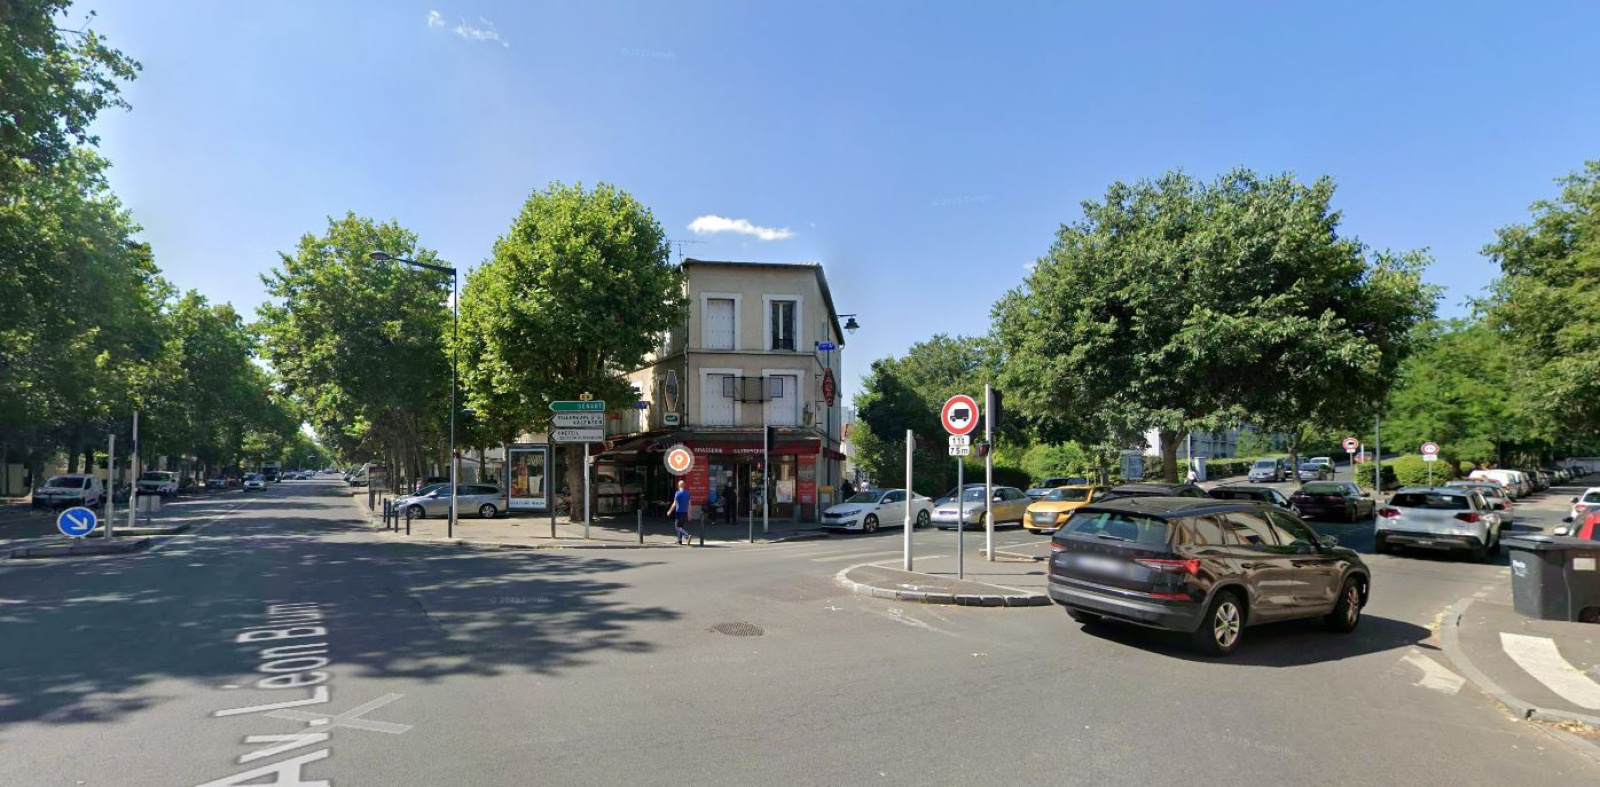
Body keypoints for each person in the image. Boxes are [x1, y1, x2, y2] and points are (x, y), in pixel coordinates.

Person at [667, 480, 692, 545]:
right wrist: (689, 514)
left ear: (678, 486)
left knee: (677, 526)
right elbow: (689, 504)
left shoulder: (678, 493)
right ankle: (679, 541)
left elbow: (674, 503)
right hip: (685, 512)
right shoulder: (687, 493)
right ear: (684, 485)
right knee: (681, 526)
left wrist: (669, 511)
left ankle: (687, 535)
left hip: (679, 512)